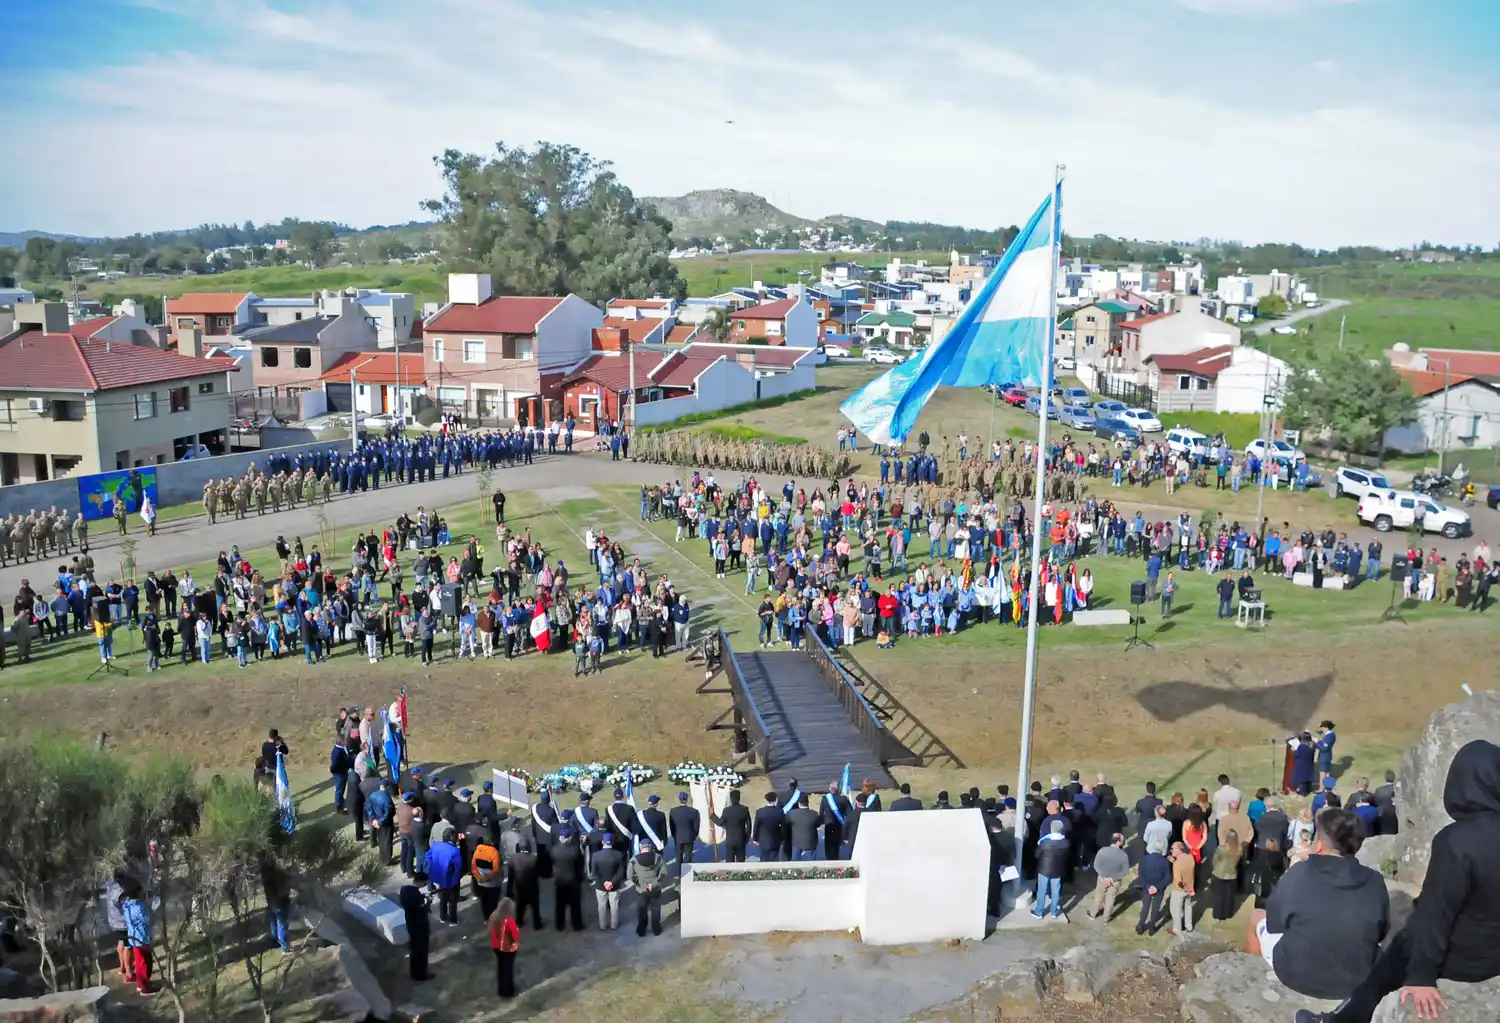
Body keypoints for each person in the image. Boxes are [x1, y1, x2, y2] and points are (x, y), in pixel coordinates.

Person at [1296, 740, 1500, 1023]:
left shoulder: (1457, 842)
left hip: (1466, 958)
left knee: (1402, 944)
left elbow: (1435, 913)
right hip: (1494, 952)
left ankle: (1341, 1019)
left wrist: (1422, 976)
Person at [1246, 809, 1388, 1002]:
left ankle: (1254, 981)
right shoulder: (1375, 881)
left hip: (1296, 974)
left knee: (1256, 917)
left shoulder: (1298, 874)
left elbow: (1275, 922)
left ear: (1319, 846)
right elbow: (1381, 931)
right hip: (1356, 979)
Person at [550, 826, 585, 932]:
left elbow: (553, 863)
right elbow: (580, 865)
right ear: (569, 838)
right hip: (573, 881)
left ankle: (559, 925)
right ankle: (577, 925)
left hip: (560, 880)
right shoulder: (575, 850)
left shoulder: (554, 850)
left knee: (560, 905)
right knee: (575, 905)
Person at [1089, 833, 1130, 922]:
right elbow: (1125, 871)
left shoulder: (1102, 851)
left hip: (1102, 879)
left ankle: (1093, 914)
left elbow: (1096, 865)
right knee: (1110, 900)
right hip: (1115, 882)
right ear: (1118, 842)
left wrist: (1104, 877)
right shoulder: (1123, 855)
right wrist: (1113, 878)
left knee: (1099, 896)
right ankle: (1106, 919)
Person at [1033, 819, 1070, 920]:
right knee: (1056, 891)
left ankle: (1039, 911)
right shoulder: (1066, 843)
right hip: (1058, 869)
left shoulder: (1045, 842)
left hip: (1044, 869)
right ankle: (1054, 912)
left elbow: (1036, 855)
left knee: (1042, 890)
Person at [590, 831, 626, 930]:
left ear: (602, 842)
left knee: (601, 906)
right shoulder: (618, 854)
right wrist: (611, 882)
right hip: (614, 885)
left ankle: (602, 925)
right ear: (612, 842)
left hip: (600, 885)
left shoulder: (596, 855)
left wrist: (604, 883)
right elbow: (621, 871)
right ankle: (614, 924)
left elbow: (594, 873)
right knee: (614, 906)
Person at [425, 833, 464, 927]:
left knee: (443, 897)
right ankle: (452, 919)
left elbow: (427, 856)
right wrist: (456, 878)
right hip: (451, 878)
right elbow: (458, 867)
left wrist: (434, 866)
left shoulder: (435, 845)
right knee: (452, 899)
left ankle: (443, 917)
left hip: (439, 876)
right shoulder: (455, 851)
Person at [628, 843, 665, 937]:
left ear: (641, 848)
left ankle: (641, 930)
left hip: (642, 890)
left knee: (642, 910)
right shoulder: (659, 858)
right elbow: (664, 872)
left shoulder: (633, 860)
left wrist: (644, 885)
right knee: (655, 909)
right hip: (655, 889)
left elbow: (630, 876)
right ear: (651, 848)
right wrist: (653, 884)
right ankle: (656, 929)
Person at [505, 838, 543, 930]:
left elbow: (510, 877)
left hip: (519, 887)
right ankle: (537, 925)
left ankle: (519, 921)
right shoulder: (534, 858)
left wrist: (509, 891)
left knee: (520, 906)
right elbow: (538, 872)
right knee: (535, 907)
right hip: (532, 886)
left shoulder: (513, 859)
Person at [1135, 840, 1171, 935]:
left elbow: (1141, 874)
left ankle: (1140, 926)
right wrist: (1157, 887)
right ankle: (1151, 928)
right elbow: (1168, 878)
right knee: (1155, 909)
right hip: (1159, 889)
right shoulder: (1165, 862)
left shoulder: (1144, 859)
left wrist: (1148, 886)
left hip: (1147, 887)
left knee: (1145, 907)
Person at [488, 897, 520, 1000]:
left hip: (496, 946)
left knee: (501, 967)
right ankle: (508, 990)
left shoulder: (494, 916)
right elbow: (516, 935)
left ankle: (501, 989)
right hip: (507, 947)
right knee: (508, 969)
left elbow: (490, 929)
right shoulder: (509, 920)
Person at [122, 891, 154, 995]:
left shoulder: (127, 906)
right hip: (142, 938)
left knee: (139, 963)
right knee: (145, 962)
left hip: (134, 938)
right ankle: (144, 988)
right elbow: (148, 919)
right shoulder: (139, 907)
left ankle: (141, 985)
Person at [712, 789, 751, 863]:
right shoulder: (745, 809)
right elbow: (749, 825)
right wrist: (747, 837)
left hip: (730, 840)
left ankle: (730, 874)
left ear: (730, 798)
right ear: (739, 798)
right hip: (741, 839)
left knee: (729, 862)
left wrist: (712, 815)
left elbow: (720, 823)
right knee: (741, 861)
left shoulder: (726, 810)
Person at [1212, 830, 1243, 920]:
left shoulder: (1222, 849)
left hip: (1220, 874)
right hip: (1232, 874)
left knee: (1219, 896)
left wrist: (1215, 868)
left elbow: (1215, 860)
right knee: (1229, 896)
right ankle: (1228, 914)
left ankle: (1218, 914)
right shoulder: (1239, 849)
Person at [669, 792, 700, 876]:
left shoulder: (673, 811)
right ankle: (687, 874)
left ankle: (678, 874)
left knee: (678, 856)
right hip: (689, 836)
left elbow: (672, 826)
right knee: (688, 856)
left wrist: (674, 835)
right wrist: (695, 835)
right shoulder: (694, 811)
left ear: (679, 799)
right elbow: (696, 826)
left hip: (678, 836)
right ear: (687, 799)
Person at [1169, 840, 1196, 935]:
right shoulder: (1190, 857)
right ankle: (1189, 926)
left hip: (1179, 890)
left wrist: (1184, 888)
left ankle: (1177, 929)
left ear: (1178, 850)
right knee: (1188, 907)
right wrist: (1189, 889)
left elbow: (1179, 880)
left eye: (1172, 849)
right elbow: (1186, 868)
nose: (1171, 851)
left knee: (1175, 909)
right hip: (1190, 887)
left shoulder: (1177, 864)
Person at [753, 792, 785, 862]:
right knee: (774, 859)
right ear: (776, 799)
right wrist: (782, 839)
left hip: (763, 839)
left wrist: (755, 838)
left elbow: (756, 826)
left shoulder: (760, 811)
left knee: (763, 860)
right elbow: (783, 826)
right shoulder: (779, 811)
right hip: (776, 839)